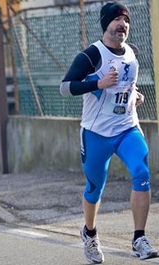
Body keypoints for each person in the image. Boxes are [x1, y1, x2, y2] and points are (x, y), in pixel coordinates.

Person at [60, 2, 157, 264]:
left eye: (125, 21)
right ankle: (89, 233)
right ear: (106, 24)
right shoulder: (91, 55)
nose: (122, 25)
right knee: (94, 189)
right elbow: (66, 87)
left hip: (127, 128)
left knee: (142, 173)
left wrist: (135, 95)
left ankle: (139, 239)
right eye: (116, 20)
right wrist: (97, 83)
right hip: (96, 134)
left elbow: (128, 85)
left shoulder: (132, 53)